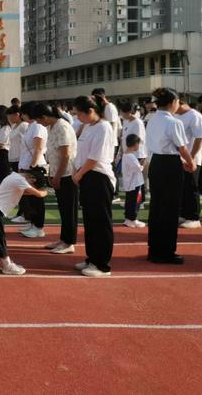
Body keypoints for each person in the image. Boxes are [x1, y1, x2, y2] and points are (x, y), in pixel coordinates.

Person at [145, 88, 196, 264]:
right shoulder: (174, 122)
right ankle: (166, 252)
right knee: (170, 208)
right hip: (169, 166)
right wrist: (191, 162)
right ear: (172, 102)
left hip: (157, 163)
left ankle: (154, 249)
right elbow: (182, 148)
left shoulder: (151, 119)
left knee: (157, 207)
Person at [72, 95, 118, 277]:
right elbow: (82, 153)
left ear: (91, 111)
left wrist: (79, 174)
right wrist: (78, 172)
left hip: (99, 178)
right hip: (87, 177)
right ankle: (91, 258)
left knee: (101, 222)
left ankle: (102, 264)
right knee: (90, 221)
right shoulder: (88, 127)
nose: (77, 118)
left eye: (79, 114)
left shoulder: (104, 128)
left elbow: (95, 157)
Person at [0, 167, 49, 275]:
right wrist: (46, 191)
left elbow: (25, 192)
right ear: (32, 179)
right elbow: (39, 194)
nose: (30, 188)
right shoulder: (20, 180)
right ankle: (6, 265)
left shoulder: (13, 176)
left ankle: (5, 262)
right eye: (33, 185)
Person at [36, 103, 78, 254]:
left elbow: (66, 155)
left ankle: (69, 242)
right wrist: (51, 174)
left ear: (45, 117)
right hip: (57, 172)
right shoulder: (51, 127)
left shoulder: (62, 126)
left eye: (39, 120)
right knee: (63, 208)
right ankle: (63, 239)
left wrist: (58, 176)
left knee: (69, 209)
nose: (39, 124)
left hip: (66, 175)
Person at [17, 103, 48, 238]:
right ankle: (32, 224)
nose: (21, 116)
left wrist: (33, 166)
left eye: (22, 113)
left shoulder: (38, 127)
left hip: (34, 167)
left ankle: (38, 227)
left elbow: (38, 148)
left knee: (36, 198)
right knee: (29, 198)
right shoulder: (31, 126)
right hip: (26, 165)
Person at [175, 96, 202, 229]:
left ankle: (194, 217)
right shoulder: (177, 116)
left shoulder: (195, 116)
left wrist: (191, 158)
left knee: (192, 187)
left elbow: (200, 138)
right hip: (181, 158)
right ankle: (184, 214)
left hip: (192, 159)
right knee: (182, 187)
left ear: (179, 103)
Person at [122, 134, 146, 228]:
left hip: (130, 183)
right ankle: (132, 219)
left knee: (130, 200)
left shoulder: (126, 155)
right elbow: (138, 169)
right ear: (135, 144)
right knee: (135, 201)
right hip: (134, 183)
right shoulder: (130, 156)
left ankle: (129, 218)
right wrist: (143, 163)